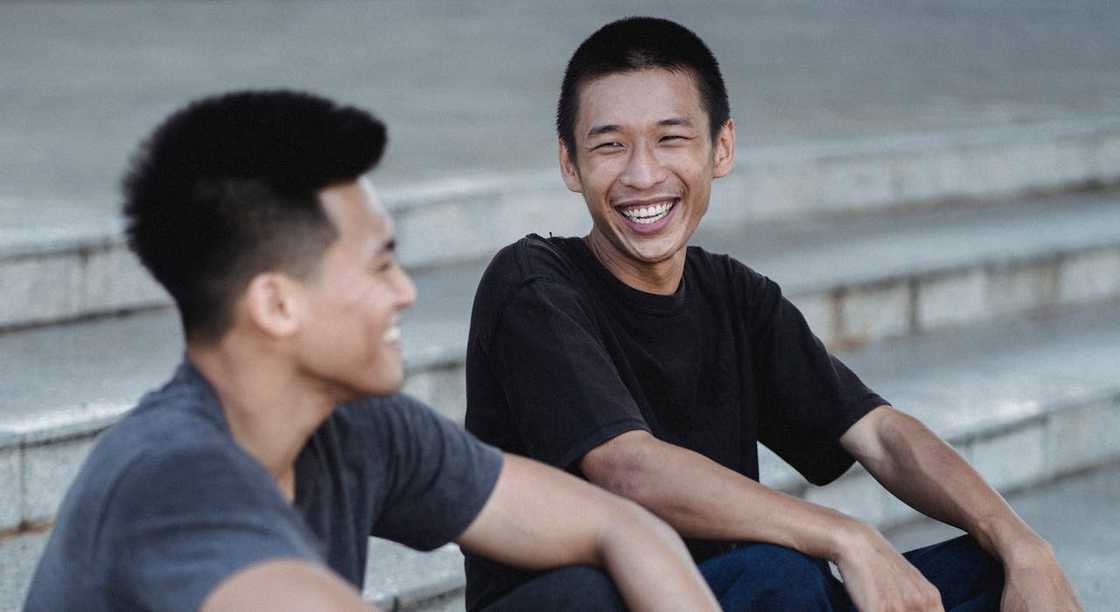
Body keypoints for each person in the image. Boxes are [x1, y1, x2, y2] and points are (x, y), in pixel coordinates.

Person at [464, 16, 1082, 612]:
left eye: (671, 139)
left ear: (721, 147)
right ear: (570, 164)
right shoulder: (533, 284)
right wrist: (846, 535)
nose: (643, 174)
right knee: (780, 573)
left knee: (1000, 575)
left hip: (735, 593)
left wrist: (1022, 543)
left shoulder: (735, 295)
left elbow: (881, 435)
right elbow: (627, 467)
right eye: (611, 146)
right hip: (582, 598)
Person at [23, 90, 720, 612]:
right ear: (277, 304)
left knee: (581, 597)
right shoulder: (172, 480)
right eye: (380, 264)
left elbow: (619, 525)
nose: (407, 292)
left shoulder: (357, 426)